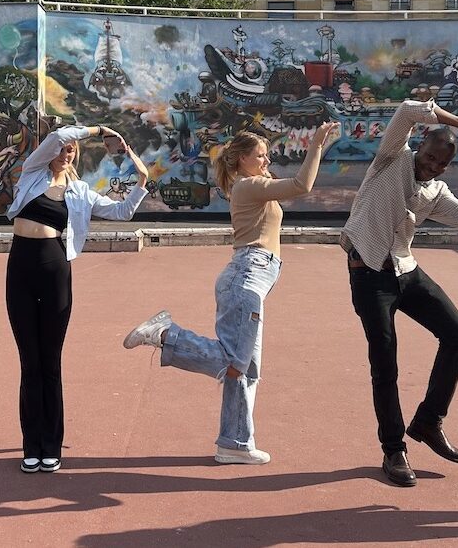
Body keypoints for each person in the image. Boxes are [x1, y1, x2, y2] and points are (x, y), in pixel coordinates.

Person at [123, 123, 339, 465]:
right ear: (241, 160)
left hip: (251, 277)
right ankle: (166, 335)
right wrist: (315, 145)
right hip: (247, 276)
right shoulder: (249, 186)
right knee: (236, 364)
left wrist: (318, 145)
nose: (267, 160)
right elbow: (302, 185)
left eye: (268, 154)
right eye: (260, 155)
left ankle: (234, 443)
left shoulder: (252, 185)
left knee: (247, 369)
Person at [339, 97, 458, 487]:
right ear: (420, 147)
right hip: (370, 271)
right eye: (430, 157)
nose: (434, 166)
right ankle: (393, 449)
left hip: (405, 270)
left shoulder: (436, 191)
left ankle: (427, 422)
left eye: (442, 163)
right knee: (385, 362)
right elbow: (409, 110)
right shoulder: (391, 158)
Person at [5, 123, 149, 474]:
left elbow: (121, 212)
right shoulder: (33, 172)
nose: (64, 153)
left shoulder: (81, 192)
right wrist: (100, 128)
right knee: (29, 362)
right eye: (61, 148)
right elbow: (56, 136)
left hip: (55, 270)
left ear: (75, 155)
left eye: (70, 150)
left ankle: (51, 445)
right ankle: (32, 445)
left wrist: (142, 182)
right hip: (19, 268)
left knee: (50, 360)